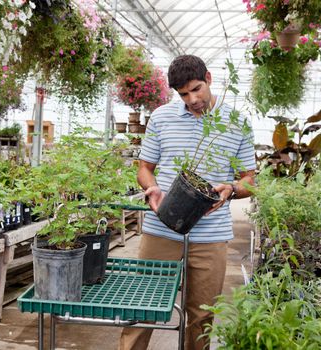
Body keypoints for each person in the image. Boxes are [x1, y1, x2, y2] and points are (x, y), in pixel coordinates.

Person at [118, 55, 256, 350]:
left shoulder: (238, 122)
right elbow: (144, 167)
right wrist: (152, 187)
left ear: (209, 78)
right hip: (162, 226)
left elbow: (249, 181)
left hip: (211, 235)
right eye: (183, 94)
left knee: (202, 315)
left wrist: (231, 189)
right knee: (144, 306)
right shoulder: (161, 117)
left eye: (196, 89)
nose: (192, 99)